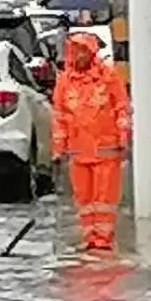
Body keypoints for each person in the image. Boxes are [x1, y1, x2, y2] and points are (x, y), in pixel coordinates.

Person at [52, 31, 132, 252]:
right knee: (84, 200)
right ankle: (90, 239)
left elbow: (121, 109)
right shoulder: (64, 82)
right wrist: (58, 149)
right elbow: (59, 117)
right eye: (74, 51)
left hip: (106, 150)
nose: (77, 56)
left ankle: (103, 239)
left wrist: (123, 138)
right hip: (78, 152)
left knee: (104, 199)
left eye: (81, 51)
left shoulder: (108, 77)